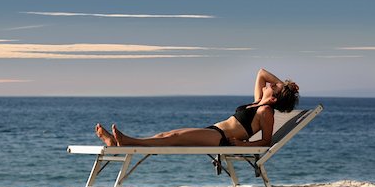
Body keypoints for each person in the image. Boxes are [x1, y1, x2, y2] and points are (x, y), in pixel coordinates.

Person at [95, 69, 299, 147]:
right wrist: (286, 86)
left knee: (172, 137)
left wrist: (242, 146)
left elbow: (266, 141)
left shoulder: (266, 111)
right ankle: (117, 143)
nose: (269, 84)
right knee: (168, 134)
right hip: (214, 131)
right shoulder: (257, 102)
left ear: (273, 98)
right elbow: (261, 72)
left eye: (273, 86)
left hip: (220, 139)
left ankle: (125, 142)